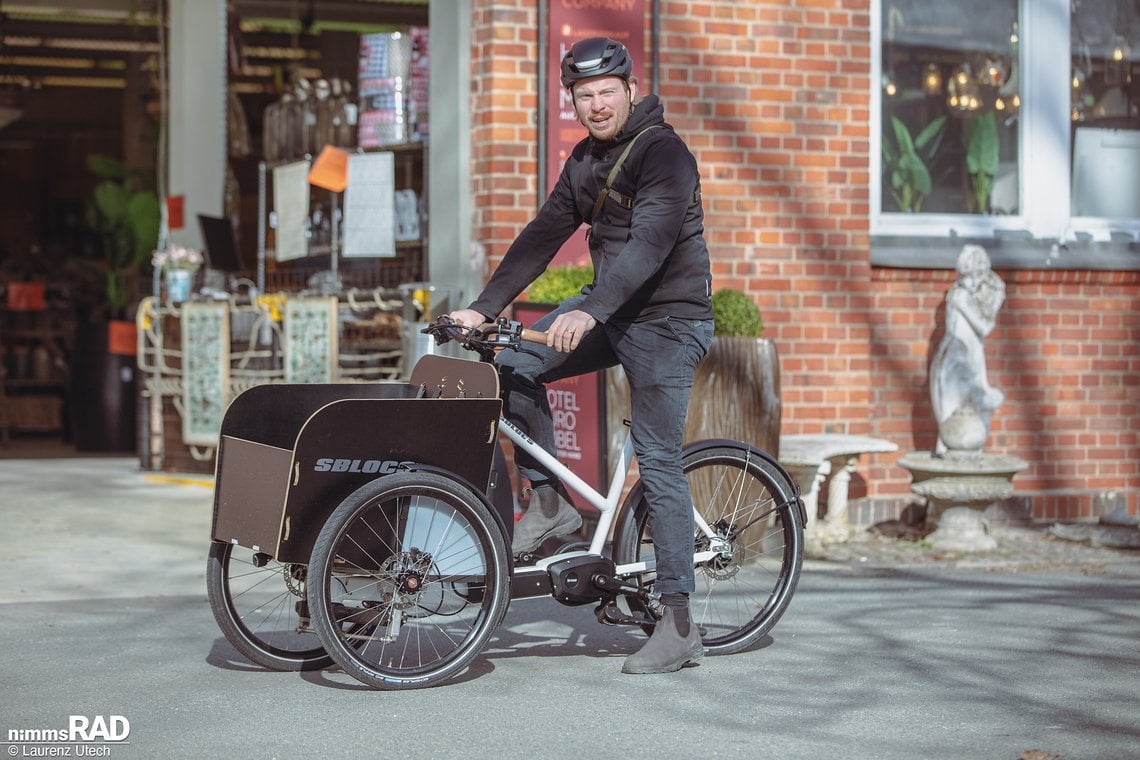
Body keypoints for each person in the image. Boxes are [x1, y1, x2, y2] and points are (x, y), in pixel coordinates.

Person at [448, 36, 714, 674]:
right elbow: (543, 234)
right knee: (509, 363)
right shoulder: (586, 160)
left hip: (670, 320)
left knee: (656, 460)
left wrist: (589, 310)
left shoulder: (665, 155)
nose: (596, 105)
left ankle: (678, 623)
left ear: (628, 87)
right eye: (583, 96)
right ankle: (547, 501)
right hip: (614, 309)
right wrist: (484, 308)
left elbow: (648, 246)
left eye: (605, 92)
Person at [929, 244, 1006, 455]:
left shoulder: (967, 295)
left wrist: (971, 304)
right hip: (955, 357)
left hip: (970, 357)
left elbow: (984, 327)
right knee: (950, 418)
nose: (966, 282)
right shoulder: (960, 295)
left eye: (969, 276)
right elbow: (978, 327)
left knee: (977, 416)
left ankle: (970, 463)